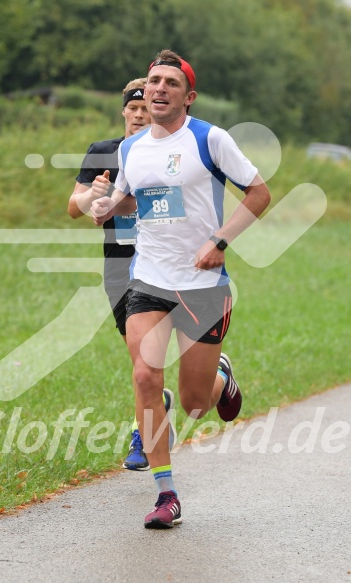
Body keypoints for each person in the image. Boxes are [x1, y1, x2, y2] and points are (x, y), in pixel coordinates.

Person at [91, 49, 271, 529]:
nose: (159, 88)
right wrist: (108, 207)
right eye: (154, 81)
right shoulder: (132, 150)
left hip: (203, 285)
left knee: (194, 401)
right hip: (148, 280)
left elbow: (260, 193)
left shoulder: (210, 139)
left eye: (171, 82)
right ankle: (166, 493)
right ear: (144, 91)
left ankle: (220, 379)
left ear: (187, 97)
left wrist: (219, 240)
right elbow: (138, 200)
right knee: (146, 379)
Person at [68, 79, 174, 471]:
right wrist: (94, 196)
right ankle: (155, 405)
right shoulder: (103, 152)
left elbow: (172, 206)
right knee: (140, 358)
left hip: (161, 263)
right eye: (133, 108)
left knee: (145, 359)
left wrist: (123, 203)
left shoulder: (169, 154)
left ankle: (140, 435)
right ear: (124, 112)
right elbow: (73, 207)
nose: (139, 115)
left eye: (146, 108)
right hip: (118, 266)